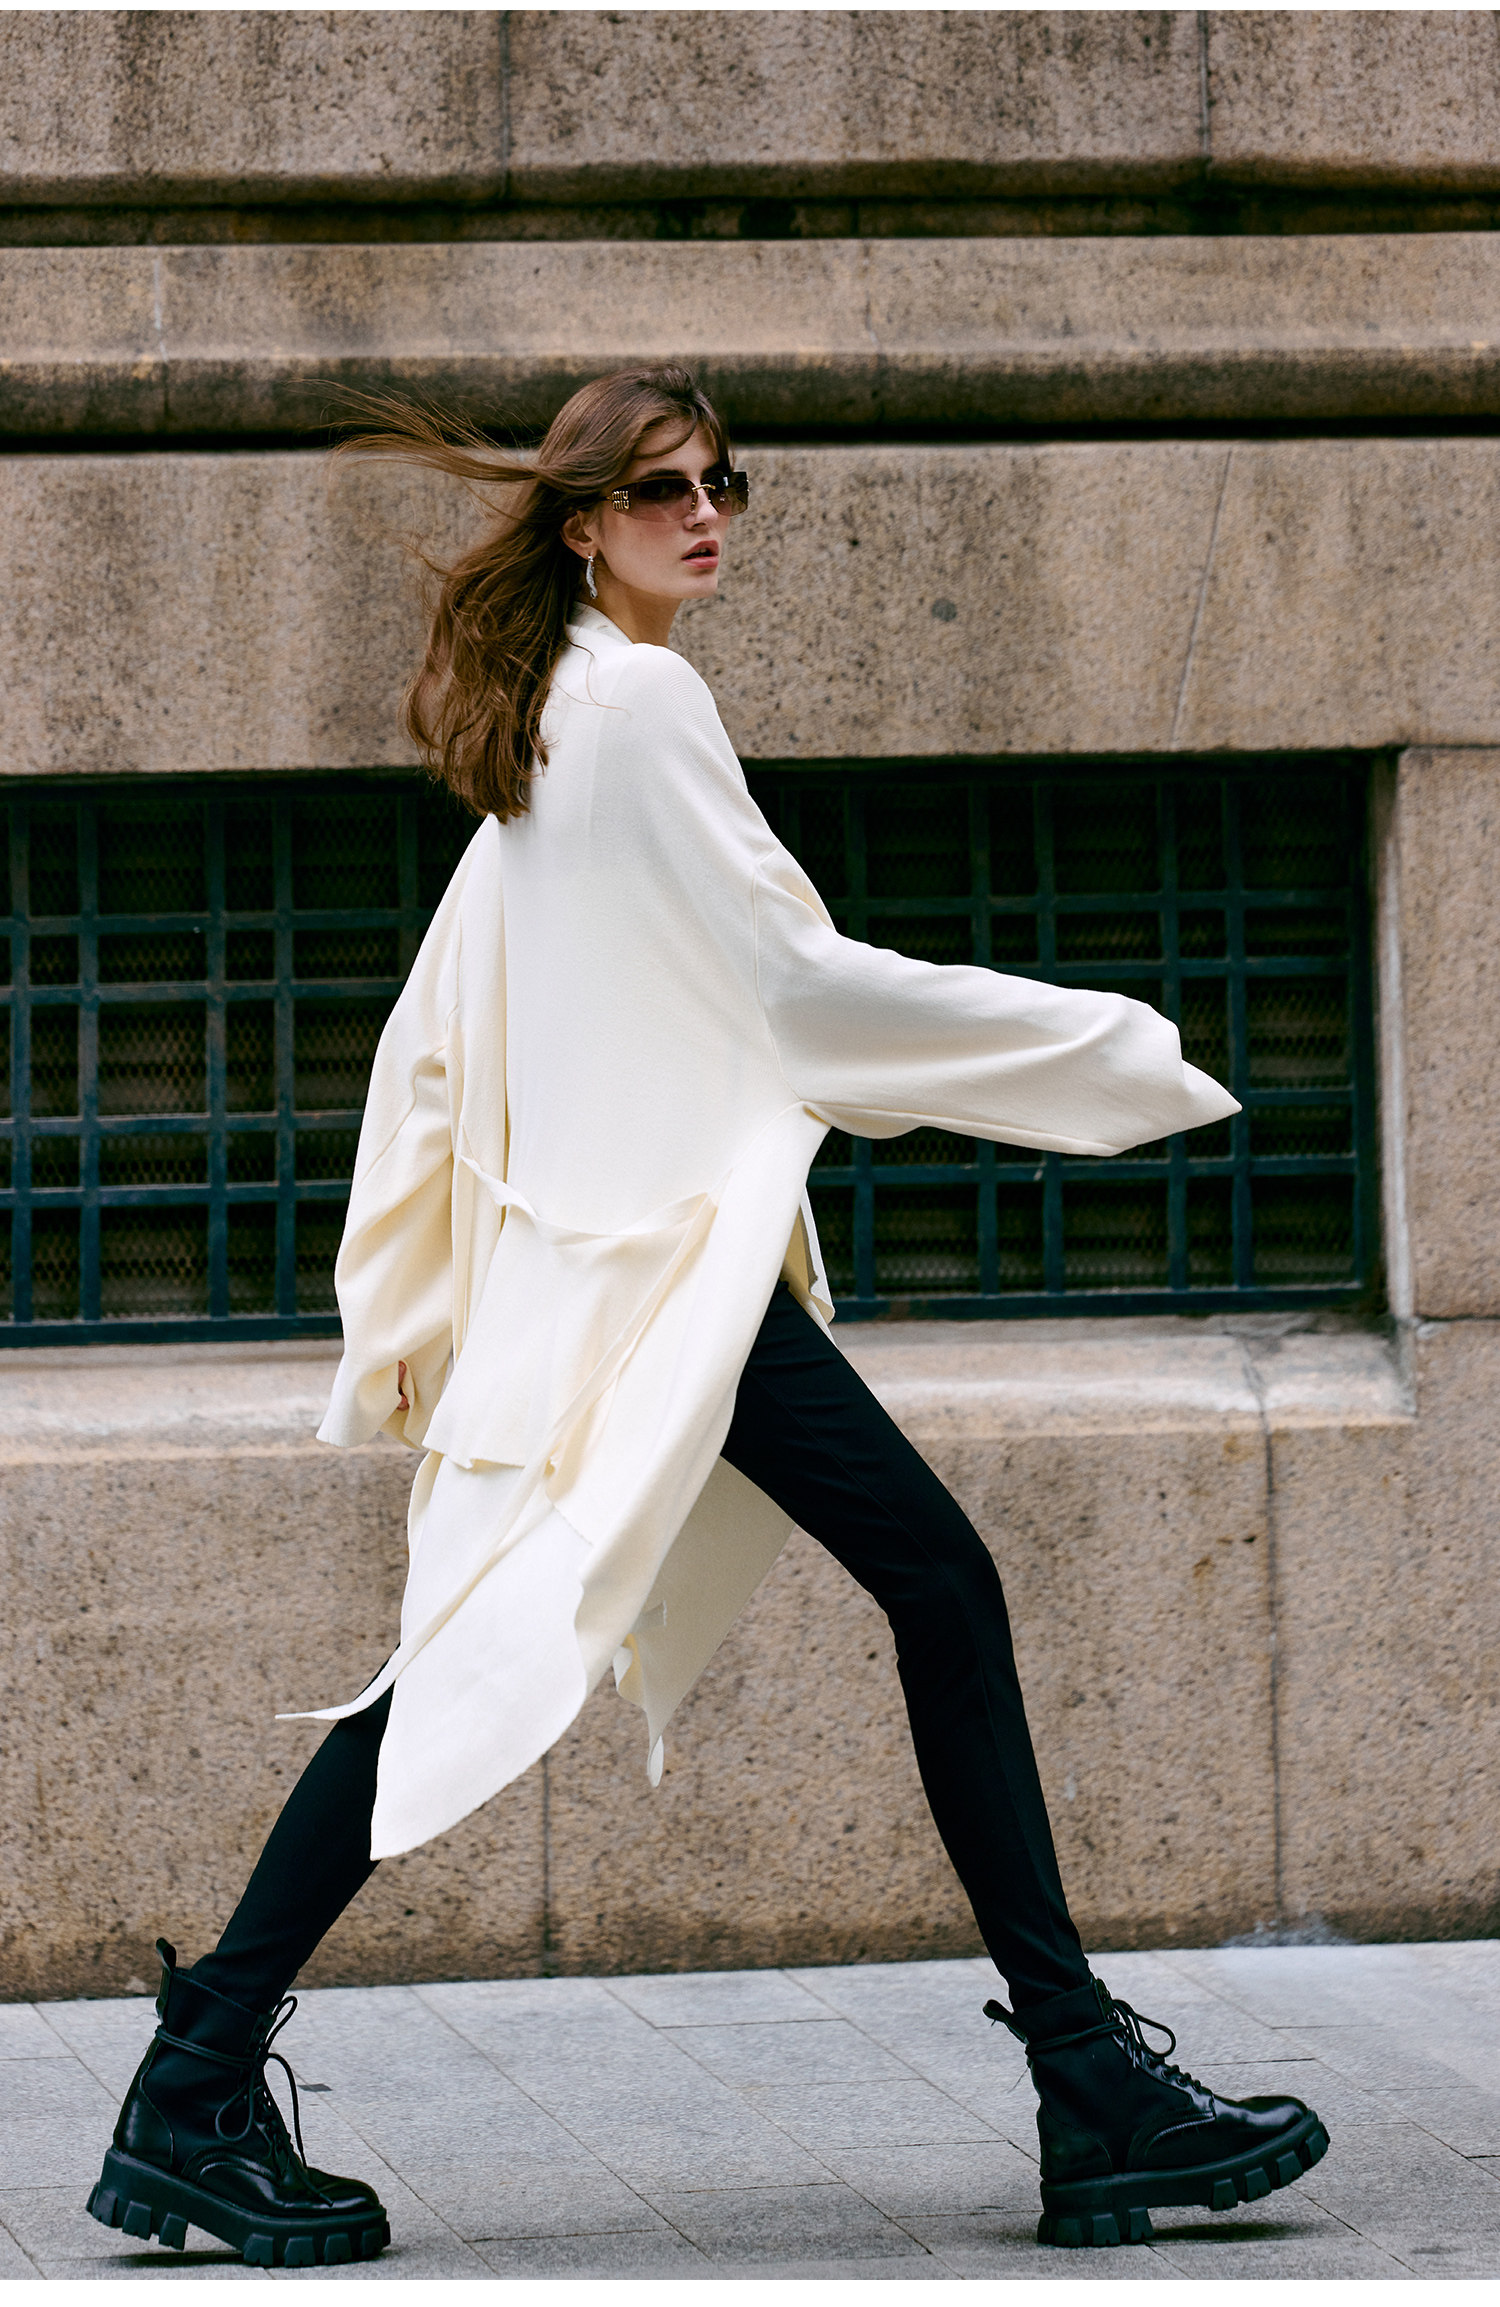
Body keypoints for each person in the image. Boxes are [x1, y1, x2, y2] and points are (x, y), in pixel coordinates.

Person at [87, 366, 1328, 2268]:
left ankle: (191, 2089)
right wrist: (1103, 1053)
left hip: (619, 1279)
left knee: (501, 1646)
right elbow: (797, 988)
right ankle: (1090, 2087)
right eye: (661, 488)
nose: (703, 513)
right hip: (661, 1285)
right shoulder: (633, 705)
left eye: (721, 482)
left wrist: (468, 1278)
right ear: (586, 521)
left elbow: (448, 1040)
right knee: (913, 1587)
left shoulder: (558, 714)